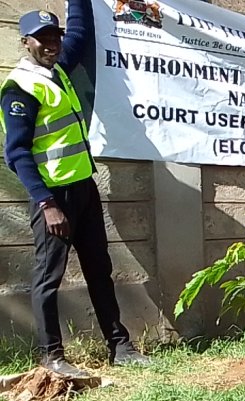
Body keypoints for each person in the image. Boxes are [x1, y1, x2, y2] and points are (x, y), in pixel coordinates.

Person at [0, 3, 151, 378]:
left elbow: (80, 35)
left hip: (83, 189)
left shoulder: (57, 73)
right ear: (26, 42)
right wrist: (47, 203)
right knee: (48, 277)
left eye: (54, 37)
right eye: (43, 39)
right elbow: (16, 154)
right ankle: (51, 356)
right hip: (53, 197)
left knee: (100, 269)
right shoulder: (20, 88)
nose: (52, 44)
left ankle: (120, 346)